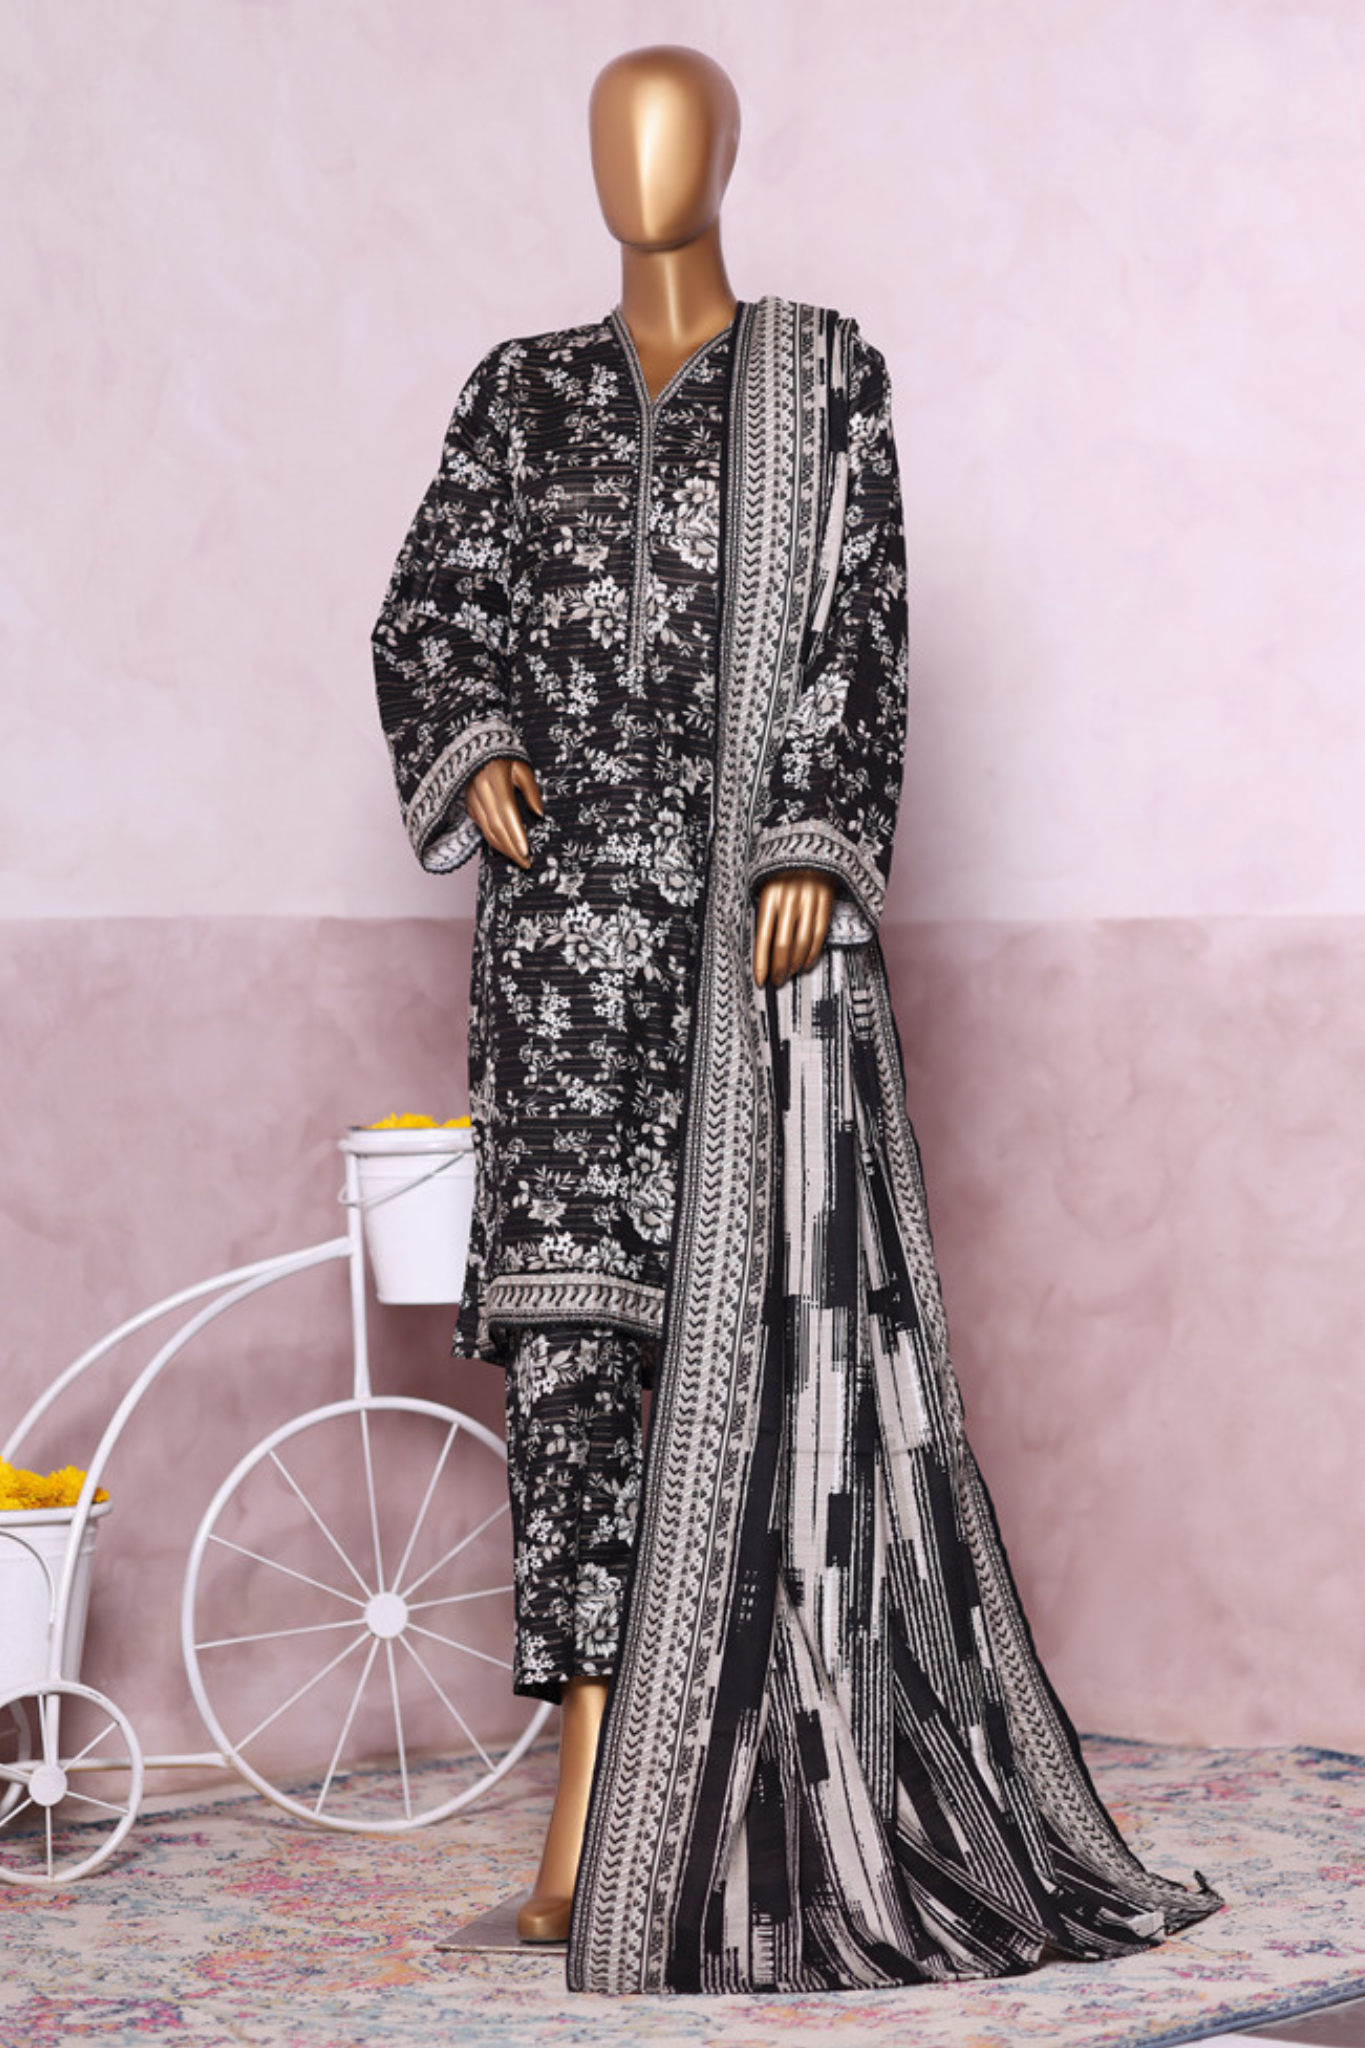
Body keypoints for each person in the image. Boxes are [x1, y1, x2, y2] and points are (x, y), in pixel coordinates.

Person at [373, 41, 1223, 1995]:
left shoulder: (828, 372)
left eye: (670, 129)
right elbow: (431, 609)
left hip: (745, 958)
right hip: (559, 962)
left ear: (724, 154)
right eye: (612, 130)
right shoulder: (514, 395)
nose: (638, 162)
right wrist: (475, 738)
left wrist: (814, 843)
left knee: (752, 1352)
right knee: (572, 1362)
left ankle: (730, 1775)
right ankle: (582, 1785)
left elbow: (861, 628)